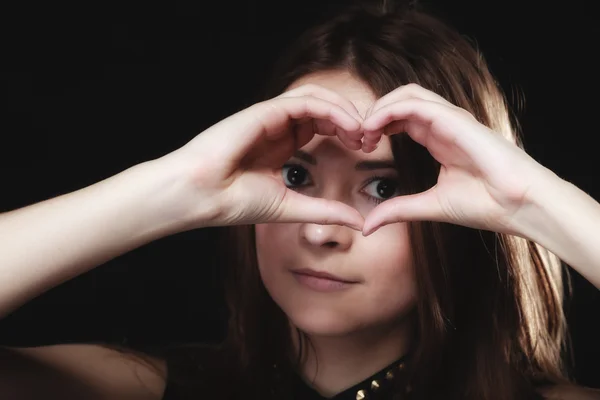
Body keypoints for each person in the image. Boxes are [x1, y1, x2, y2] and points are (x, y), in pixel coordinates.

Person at [0, 1, 599, 399]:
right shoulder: (141, 389)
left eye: (382, 187)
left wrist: (527, 201)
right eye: (295, 176)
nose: (320, 231)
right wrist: (178, 186)